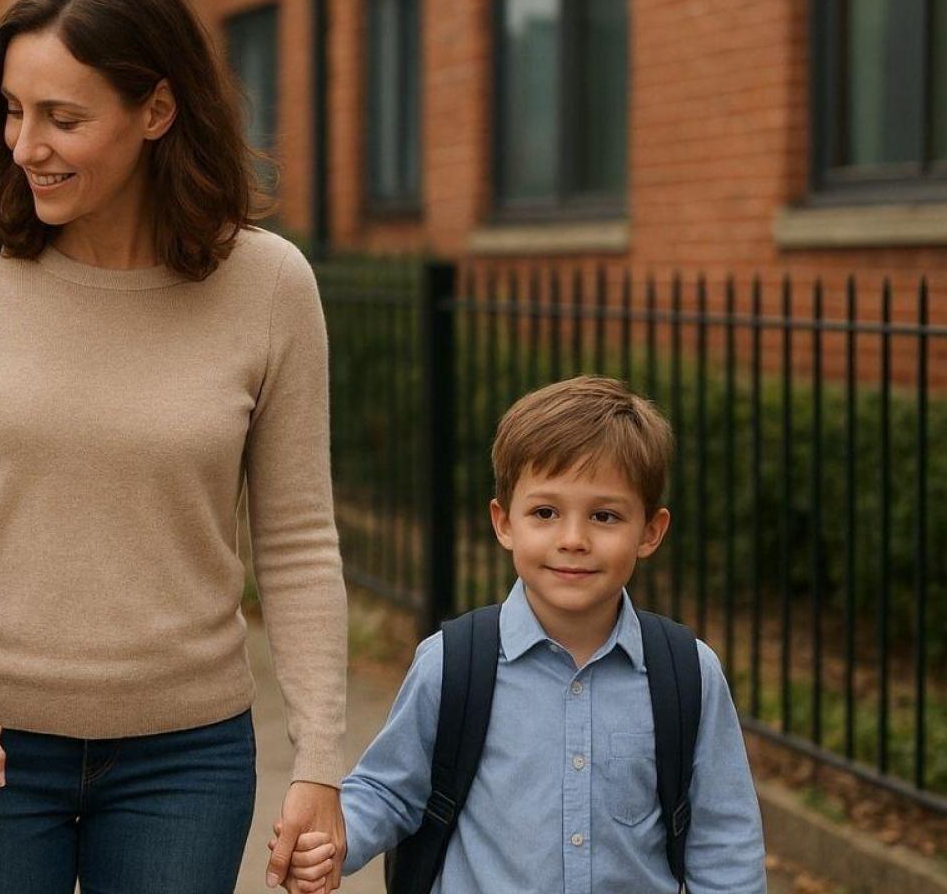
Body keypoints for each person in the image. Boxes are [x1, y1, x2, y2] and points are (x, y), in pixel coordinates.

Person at [0, 0, 349, 893]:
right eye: (14, 111)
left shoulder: (271, 287)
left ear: (156, 111)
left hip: (186, 761)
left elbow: (300, 539)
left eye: (64, 118)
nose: (28, 144)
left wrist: (319, 761)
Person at [285, 376, 767, 893]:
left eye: (604, 516)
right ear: (504, 523)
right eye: (545, 513)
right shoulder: (453, 663)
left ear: (650, 531)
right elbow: (390, 790)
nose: (573, 540)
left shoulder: (687, 674)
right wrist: (335, 841)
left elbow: (724, 838)